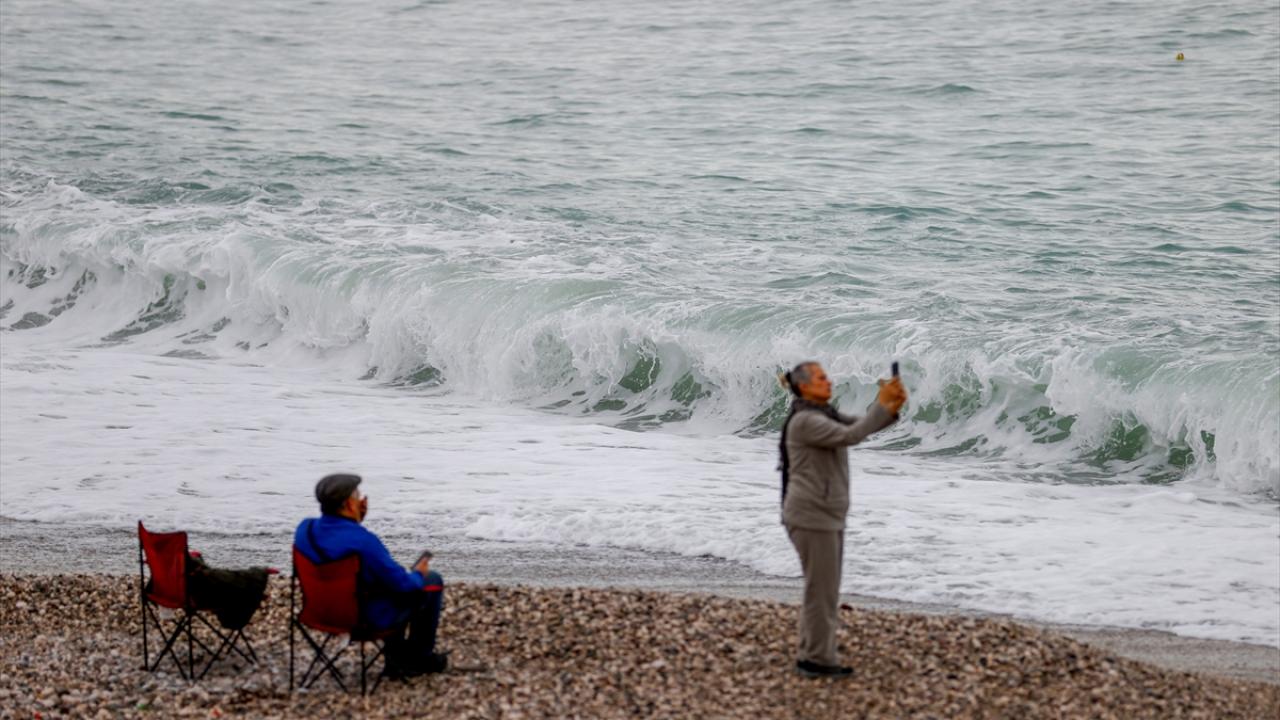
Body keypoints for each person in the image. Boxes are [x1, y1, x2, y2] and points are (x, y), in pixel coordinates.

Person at [778, 362, 907, 678]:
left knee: (822, 590)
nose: (829, 381)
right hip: (811, 516)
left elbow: (864, 424)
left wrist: (890, 407)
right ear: (805, 386)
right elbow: (852, 435)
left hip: (823, 514)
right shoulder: (807, 421)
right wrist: (882, 403)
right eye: (822, 378)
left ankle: (812, 654)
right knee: (822, 592)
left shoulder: (822, 415)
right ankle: (817, 660)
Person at [294, 473, 448, 678]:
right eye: (357, 496)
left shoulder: (305, 529)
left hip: (318, 613)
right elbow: (403, 584)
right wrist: (419, 574)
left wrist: (354, 522)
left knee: (380, 580)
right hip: (363, 619)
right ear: (349, 504)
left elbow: (338, 540)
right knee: (429, 580)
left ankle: (398, 660)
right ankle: (418, 657)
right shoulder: (364, 541)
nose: (361, 500)